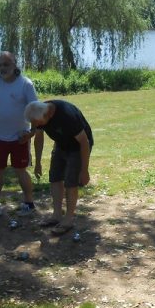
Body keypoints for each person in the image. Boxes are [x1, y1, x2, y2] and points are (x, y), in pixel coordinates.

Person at [0, 52, 39, 218]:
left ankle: (29, 202)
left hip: (20, 137)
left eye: (6, 64)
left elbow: (34, 108)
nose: (3, 68)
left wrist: (31, 132)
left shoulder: (25, 84)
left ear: (14, 65)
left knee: (21, 170)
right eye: (0, 65)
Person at [24, 99, 93, 235]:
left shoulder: (67, 116)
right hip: (61, 144)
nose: (35, 125)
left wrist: (84, 171)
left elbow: (84, 142)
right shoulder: (39, 112)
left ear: (48, 115)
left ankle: (68, 219)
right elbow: (38, 138)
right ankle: (56, 215)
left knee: (71, 182)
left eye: (37, 123)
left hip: (78, 147)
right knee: (55, 177)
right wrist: (37, 163)